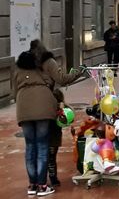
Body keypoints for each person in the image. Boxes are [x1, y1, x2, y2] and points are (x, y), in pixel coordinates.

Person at [14, 39, 83, 196]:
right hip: (44, 105)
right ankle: (43, 185)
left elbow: (14, 89)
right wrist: (79, 71)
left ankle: (32, 186)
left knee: (30, 146)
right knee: (43, 146)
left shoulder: (20, 64)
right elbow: (62, 79)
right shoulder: (49, 61)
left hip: (23, 106)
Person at [47, 89, 70, 187]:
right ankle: (54, 179)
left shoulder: (47, 109)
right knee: (52, 159)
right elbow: (67, 120)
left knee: (45, 159)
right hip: (54, 138)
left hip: (46, 136)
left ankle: (44, 179)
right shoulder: (62, 109)